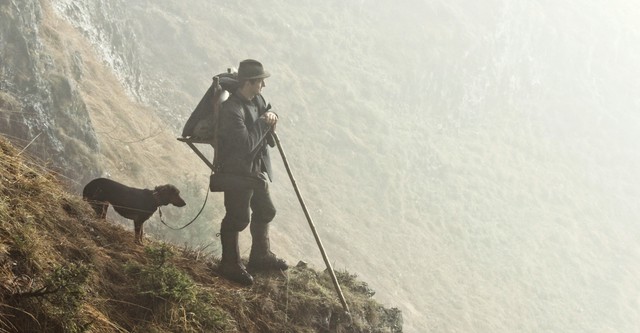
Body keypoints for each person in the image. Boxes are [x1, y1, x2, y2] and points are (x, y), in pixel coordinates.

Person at [216, 59, 288, 285]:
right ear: (248, 83)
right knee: (237, 218)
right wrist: (264, 122)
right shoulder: (231, 110)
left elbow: (266, 113)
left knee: (266, 210)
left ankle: (260, 256)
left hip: (255, 171)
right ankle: (229, 263)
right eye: (260, 82)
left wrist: (272, 115)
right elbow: (245, 145)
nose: (263, 87)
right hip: (237, 173)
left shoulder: (257, 100)